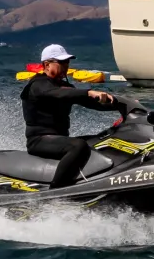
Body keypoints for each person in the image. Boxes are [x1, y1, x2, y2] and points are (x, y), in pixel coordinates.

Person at [21, 44, 120, 188]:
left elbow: (93, 103)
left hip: (60, 139)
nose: (66, 66)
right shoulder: (38, 84)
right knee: (78, 146)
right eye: (61, 62)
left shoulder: (65, 87)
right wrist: (88, 92)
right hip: (39, 140)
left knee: (101, 140)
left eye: (67, 62)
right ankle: (56, 189)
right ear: (47, 65)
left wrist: (122, 104)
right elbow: (57, 93)